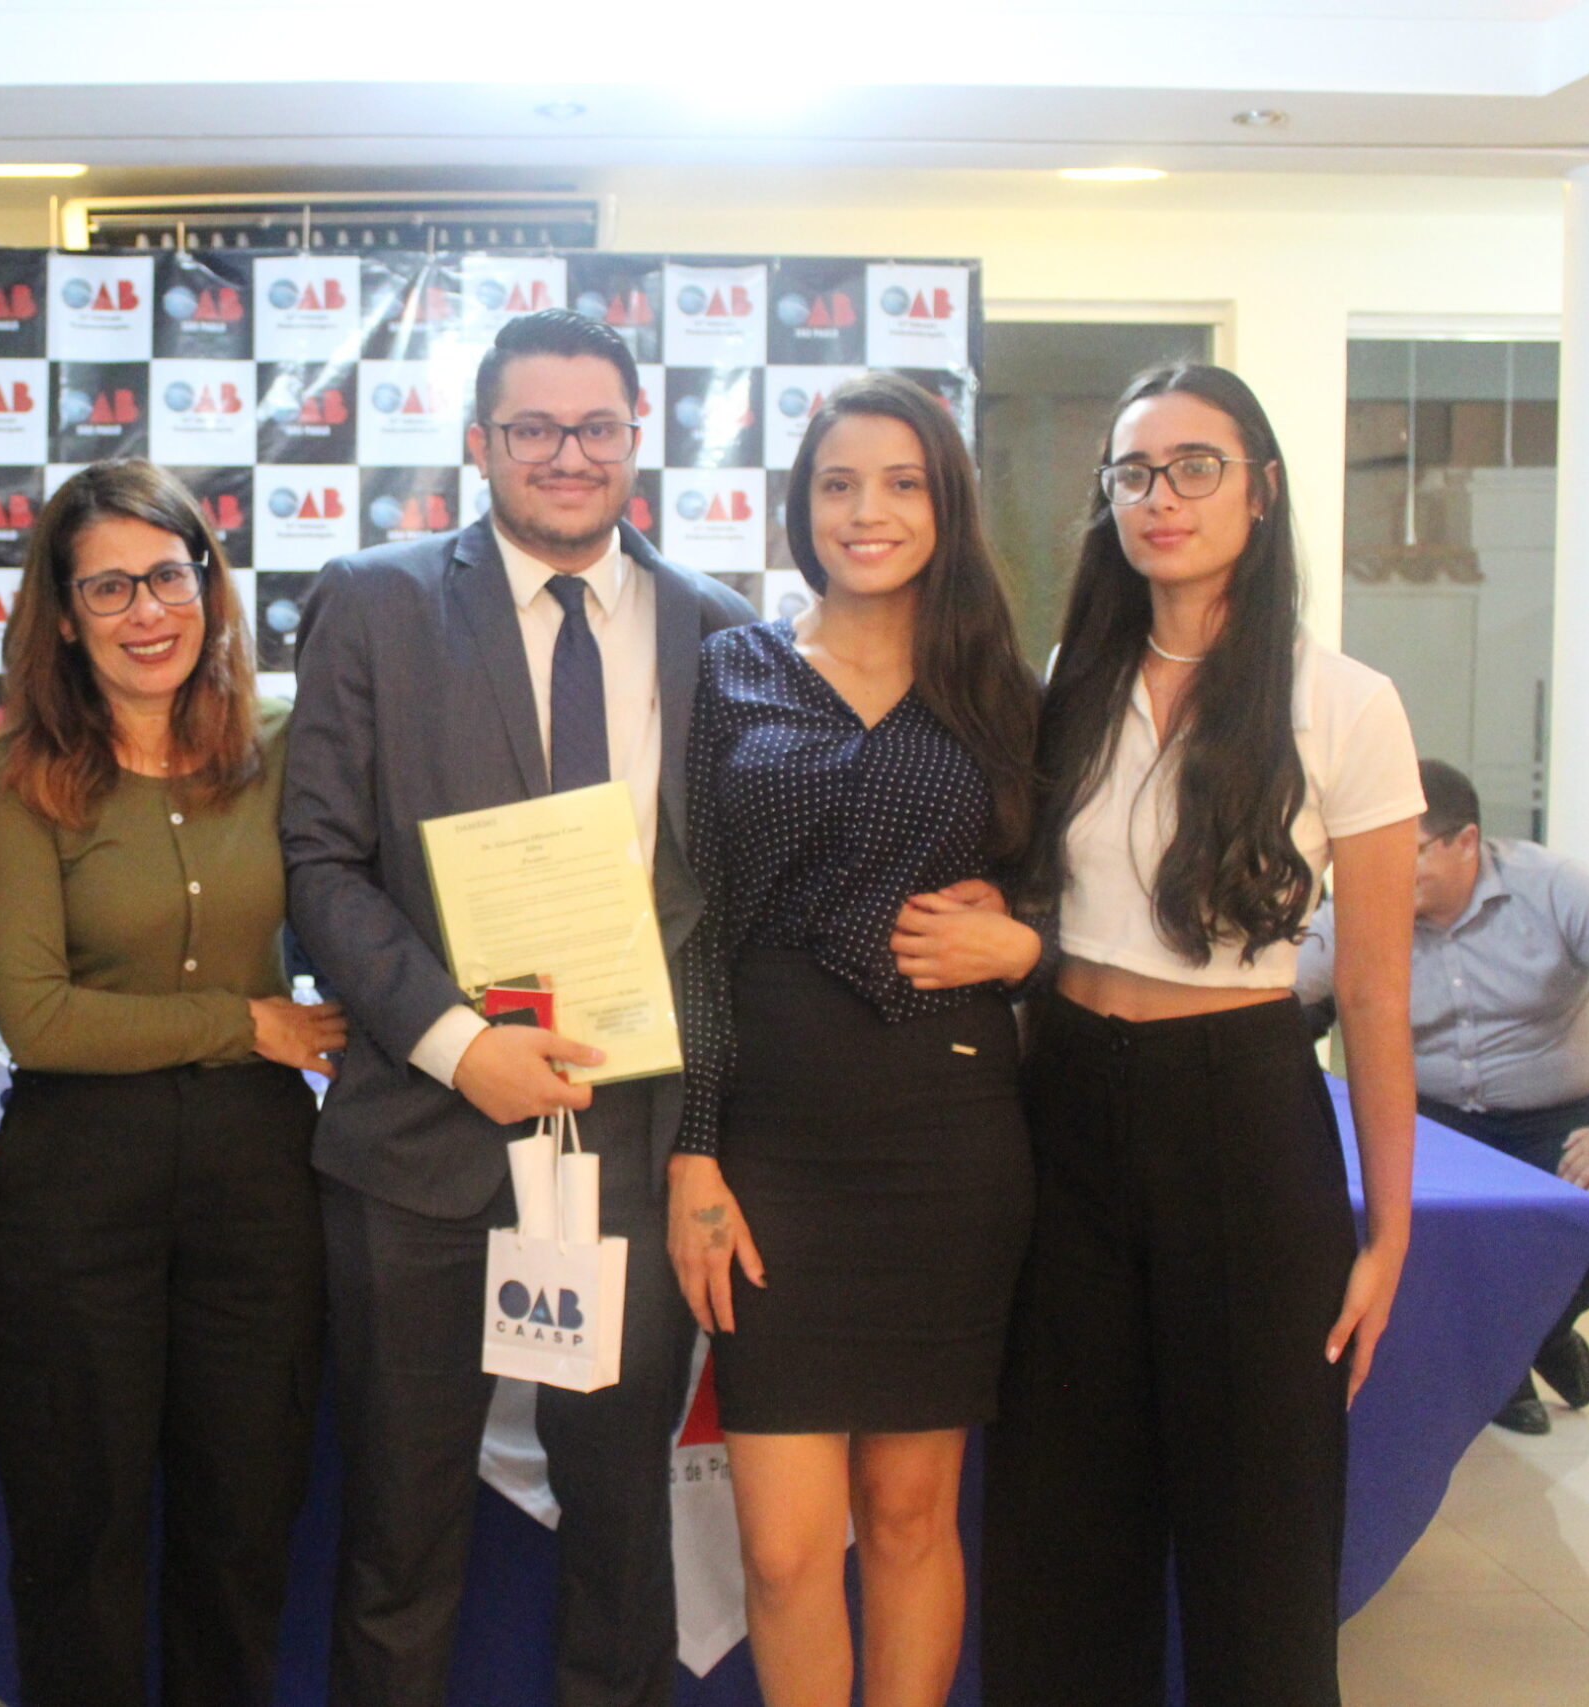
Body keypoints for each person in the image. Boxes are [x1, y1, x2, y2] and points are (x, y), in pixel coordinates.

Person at [283, 307, 753, 1707]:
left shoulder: (720, 632)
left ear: (637, 438)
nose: (567, 454)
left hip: (626, 1151)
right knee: (400, 1533)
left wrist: (702, 1137)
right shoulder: (375, 601)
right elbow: (321, 862)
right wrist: (459, 1044)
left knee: (621, 1537)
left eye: (596, 427)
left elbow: (723, 913)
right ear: (479, 442)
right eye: (533, 427)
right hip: (420, 1144)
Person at [980, 362, 1424, 1707]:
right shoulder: (1066, 685)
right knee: (1061, 1525)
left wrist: (1388, 1229)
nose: (1159, 497)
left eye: (1194, 466)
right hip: (1064, 1104)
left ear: (1262, 489)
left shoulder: (1344, 700)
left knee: (1260, 1531)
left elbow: (1376, 995)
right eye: (1132, 472)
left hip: (1241, 1109)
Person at [666, 372, 1042, 1707]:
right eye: (837, 483)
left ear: (946, 504)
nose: (865, 511)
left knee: (907, 1512)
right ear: (801, 504)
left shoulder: (1005, 690)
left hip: (947, 1136)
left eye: (900, 482)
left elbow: (1076, 897)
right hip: (769, 1141)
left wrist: (1027, 945)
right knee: (781, 1546)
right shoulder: (731, 670)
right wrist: (693, 1152)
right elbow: (694, 925)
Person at [0, 458, 344, 1706]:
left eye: (169, 577)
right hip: (75, 1186)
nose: (148, 612)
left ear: (209, 585)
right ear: (65, 616)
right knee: (77, 1530)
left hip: (257, 1186)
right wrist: (245, 1023)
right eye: (110, 587)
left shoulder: (282, 744)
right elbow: (37, 1019)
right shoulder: (19, 770)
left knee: (245, 1523)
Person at [1297, 758, 1589, 1434]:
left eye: (1406, 850)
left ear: (1465, 842)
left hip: (1569, 1112)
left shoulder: (1551, 887)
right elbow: (1281, 988)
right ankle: (1507, 1363)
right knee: (1387, 1217)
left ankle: (1532, 1339)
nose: (1381, 867)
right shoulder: (1366, 904)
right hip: (1436, 1120)